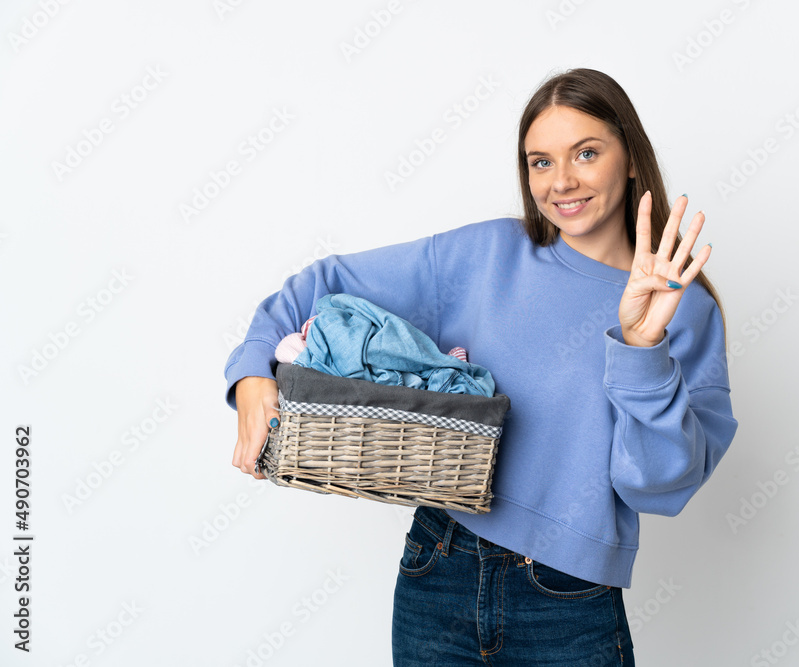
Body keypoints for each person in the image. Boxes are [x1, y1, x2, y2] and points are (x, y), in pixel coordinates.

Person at [225, 67, 738, 665]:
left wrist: (641, 348)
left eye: (587, 153)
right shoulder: (486, 255)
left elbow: (659, 488)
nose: (562, 181)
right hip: (438, 568)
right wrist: (252, 372)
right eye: (540, 161)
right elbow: (323, 284)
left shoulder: (685, 307)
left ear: (629, 158)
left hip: (567, 599)